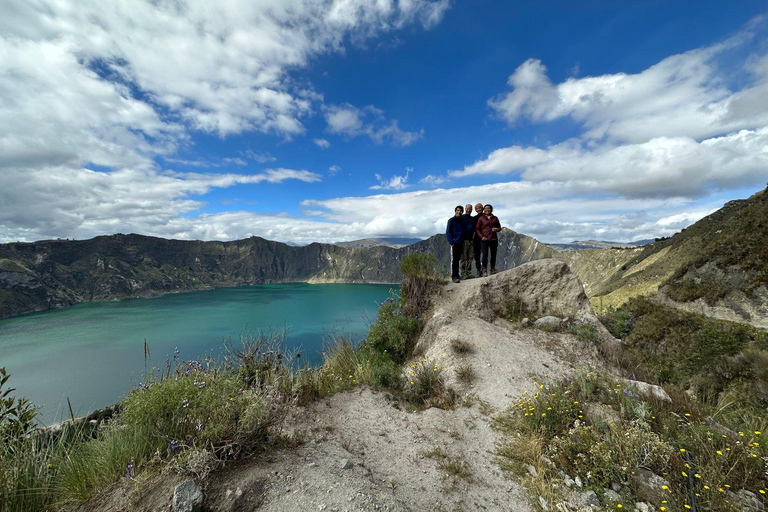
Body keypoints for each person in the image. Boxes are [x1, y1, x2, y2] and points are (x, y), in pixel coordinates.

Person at [475, 204, 501, 277]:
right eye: (485, 208)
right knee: (485, 254)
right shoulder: (481, 218)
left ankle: (492, 269)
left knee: (493, 255)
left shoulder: (495, 218)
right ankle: (484, 270)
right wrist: (481, 237)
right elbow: (477, 228)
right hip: (484, 239)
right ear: (484, 210)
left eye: (488, 208)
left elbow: (499, 227)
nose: (487, 209)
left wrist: (497, 229)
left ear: (491, 210)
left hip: (493, 239)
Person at [445, 205, 465, 283]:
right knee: (455, 260)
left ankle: (457, 275)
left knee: (459, 260)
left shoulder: (462, 221)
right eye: (457, 210)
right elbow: (448, 232)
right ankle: (454, 276)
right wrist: (451, 242)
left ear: (462, 212)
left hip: (461, 242)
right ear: (455, 211)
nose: (459, 212)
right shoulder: (451, 220)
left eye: (460, 211)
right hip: (454, 243)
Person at [459, 203, 476, 280]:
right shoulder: (461, 218)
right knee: (463, 257)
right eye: (467, 208)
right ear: (465, 209)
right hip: (463, 240)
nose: (468, 210)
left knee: (470, 257)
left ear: (472, 210)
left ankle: (468, 273)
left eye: (470, 209)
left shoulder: (472, 219)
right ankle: (462, 273)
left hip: (471, 240)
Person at [472, 202, 483, 276]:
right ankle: (479, 270)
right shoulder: (474, 218)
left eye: (479, 208)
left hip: (485, 238)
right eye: (477, 208)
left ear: (482, 208)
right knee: (477, 255)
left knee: (485, 254)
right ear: (475, 210)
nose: (478, 209)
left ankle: (484, 269)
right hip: (476, 238)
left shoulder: (486, 217)